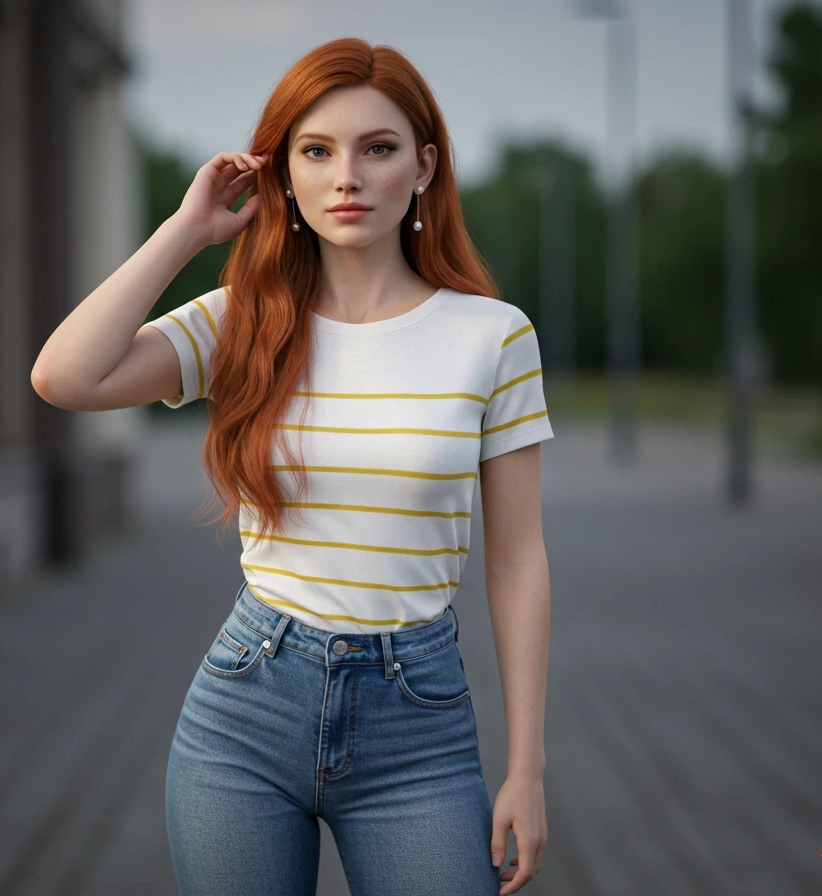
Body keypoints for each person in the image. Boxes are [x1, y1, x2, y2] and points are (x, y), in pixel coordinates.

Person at [31, 36, 551, 896]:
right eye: (316, 151)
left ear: (423, 167)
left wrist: (526, 770)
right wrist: (187, 230)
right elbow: (64, 376)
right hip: (247, 707)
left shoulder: (492, 337)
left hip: (416, 724)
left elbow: (518, 558)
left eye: (376, 149)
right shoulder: (246, 320)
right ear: (284, 175)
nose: (346, 177)